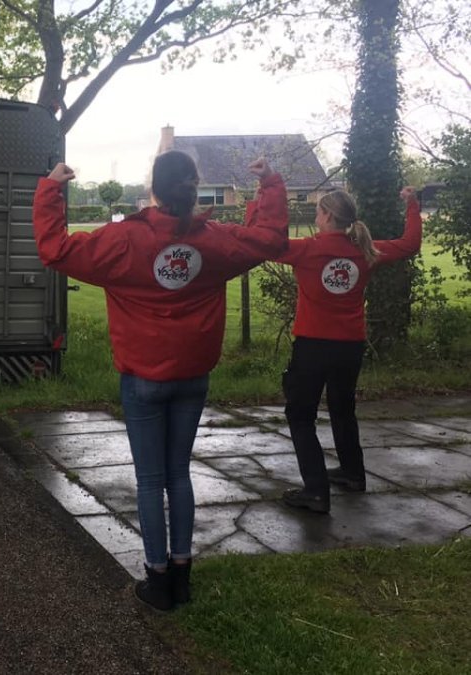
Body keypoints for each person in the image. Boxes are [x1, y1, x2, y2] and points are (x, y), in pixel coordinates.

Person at [32, 151, 289, 611]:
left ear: (153, 188)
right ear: (194, 187)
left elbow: (56, 250)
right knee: (179, 474)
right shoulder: (214, 240)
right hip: (193, 376)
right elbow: (270, 241)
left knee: (151, 480)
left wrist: (51, 189)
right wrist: (269, 184)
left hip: (143, 379)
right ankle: (182, 576)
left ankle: (158, 580)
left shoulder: (124, 239)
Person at [273, 187, 422, 514]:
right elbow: (410, 244)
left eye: (318, 212)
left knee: (300, 416)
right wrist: (412, 204)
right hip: (350, 346)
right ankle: (353, 474)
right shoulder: (366, 250)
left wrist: (260, 202)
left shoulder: (307, 249)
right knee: (342, 409)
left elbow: (263, 244)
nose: (316, 217)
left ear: (327, 215)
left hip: (313, 346)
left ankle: (316, 492)